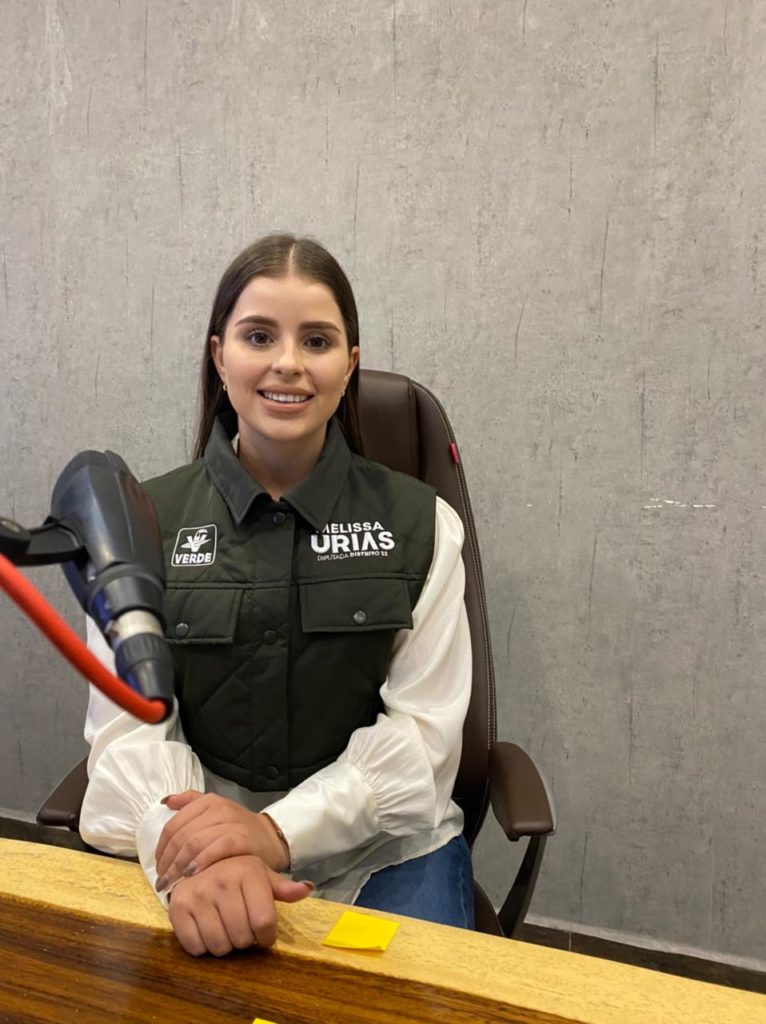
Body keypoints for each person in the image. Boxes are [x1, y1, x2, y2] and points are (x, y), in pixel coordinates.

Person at [78, 233, 473, 956]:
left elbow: (425, 740)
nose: (288, 362)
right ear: (219, 355)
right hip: (193, 853)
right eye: (259, 336)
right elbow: (128, 733)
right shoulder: (139, 526)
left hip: (381, 855)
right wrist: (199, 853)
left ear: (349, 365)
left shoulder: (424, 525)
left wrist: (273, 833)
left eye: (316, 340)